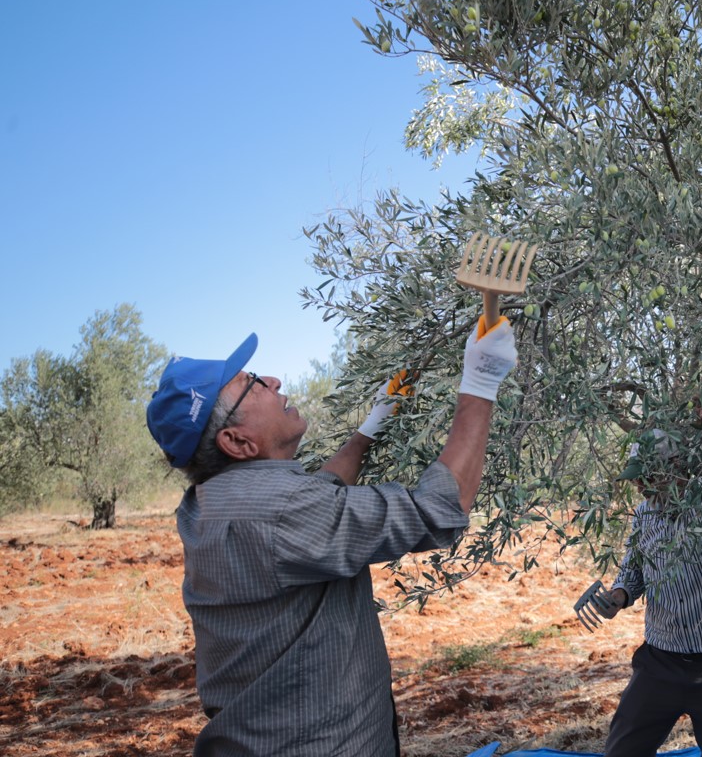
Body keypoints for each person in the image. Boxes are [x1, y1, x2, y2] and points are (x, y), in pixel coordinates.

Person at [144, 314, 517, 757]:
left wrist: (368, 430)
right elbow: (438, 509)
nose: (273, 379)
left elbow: (312, 500)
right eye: (252, 384)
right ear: (237, 442)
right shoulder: (282, 513)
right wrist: (480, 382)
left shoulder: (208, 502)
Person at [575, 399, 702, 757]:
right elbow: (634, 567)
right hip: (660, 663)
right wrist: (620, 594)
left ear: (677, 467)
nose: (640, 485)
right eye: (637, 477)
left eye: (649, 475)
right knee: (622, 752)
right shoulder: (645, 513)